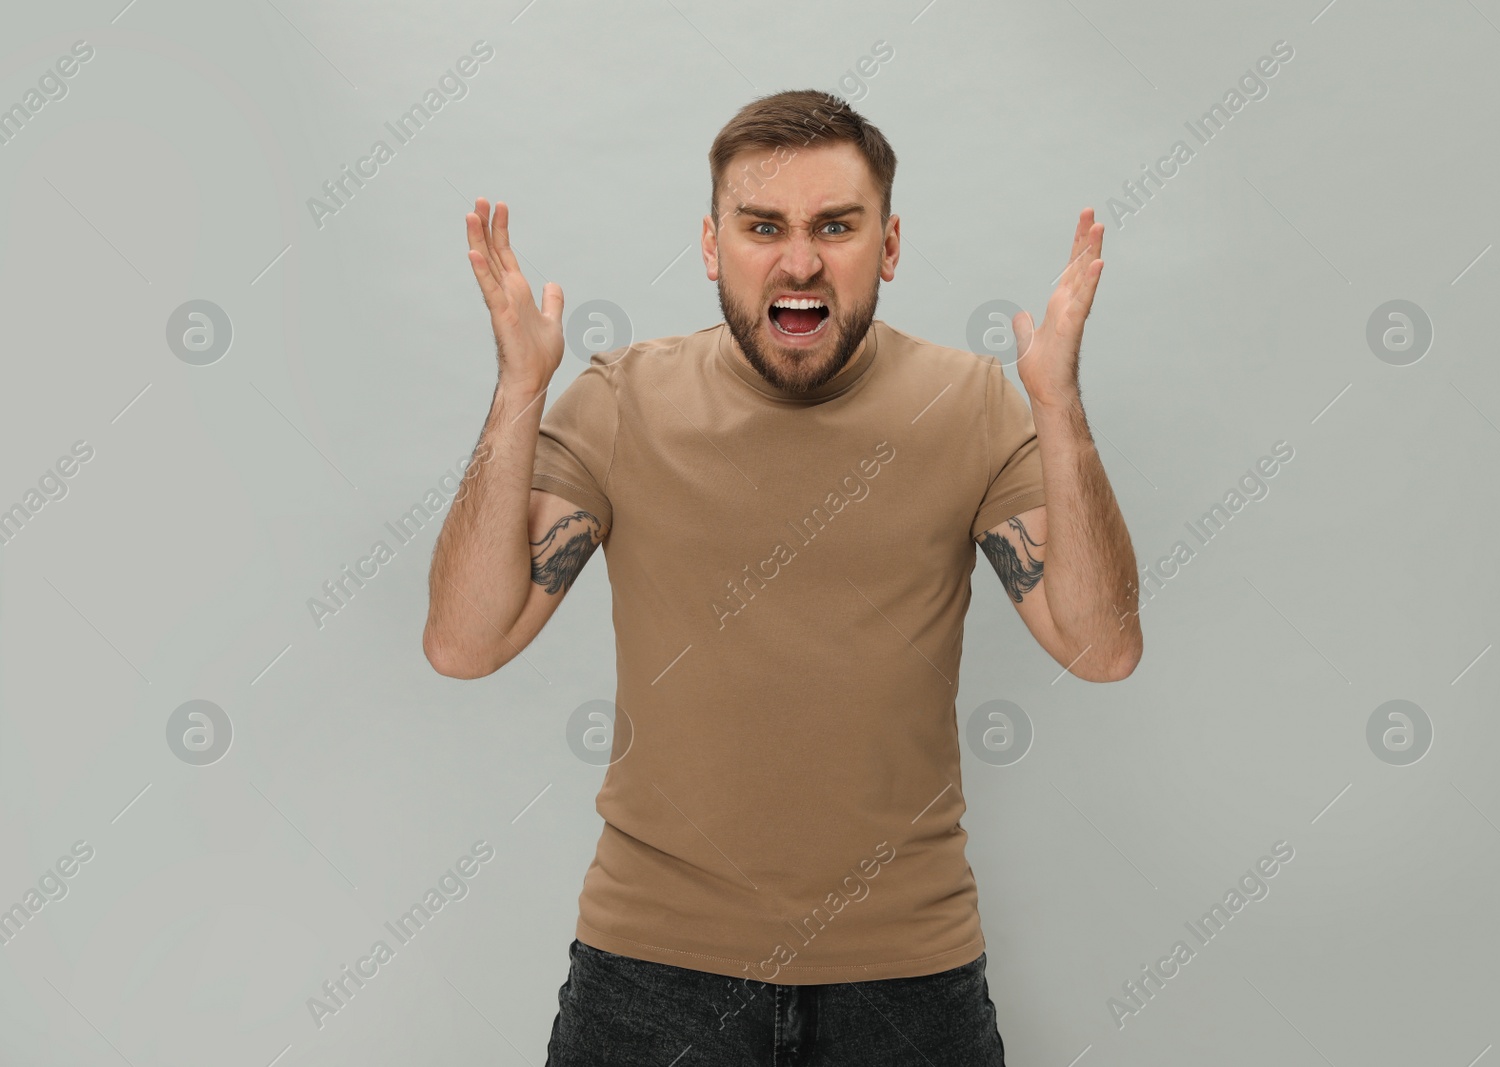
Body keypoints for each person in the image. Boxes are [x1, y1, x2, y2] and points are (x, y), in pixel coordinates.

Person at [423, 88, 1142, 1067]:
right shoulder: (621, 401)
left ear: (887, 247)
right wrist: (518, 390)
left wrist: (1056, 404)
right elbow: (466, 640)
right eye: (762, 226)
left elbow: (1100, 647)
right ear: (712, 247)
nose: (798, 259)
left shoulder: (973, 404)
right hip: (652, 976)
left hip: (907, 985)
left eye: (834, 226)